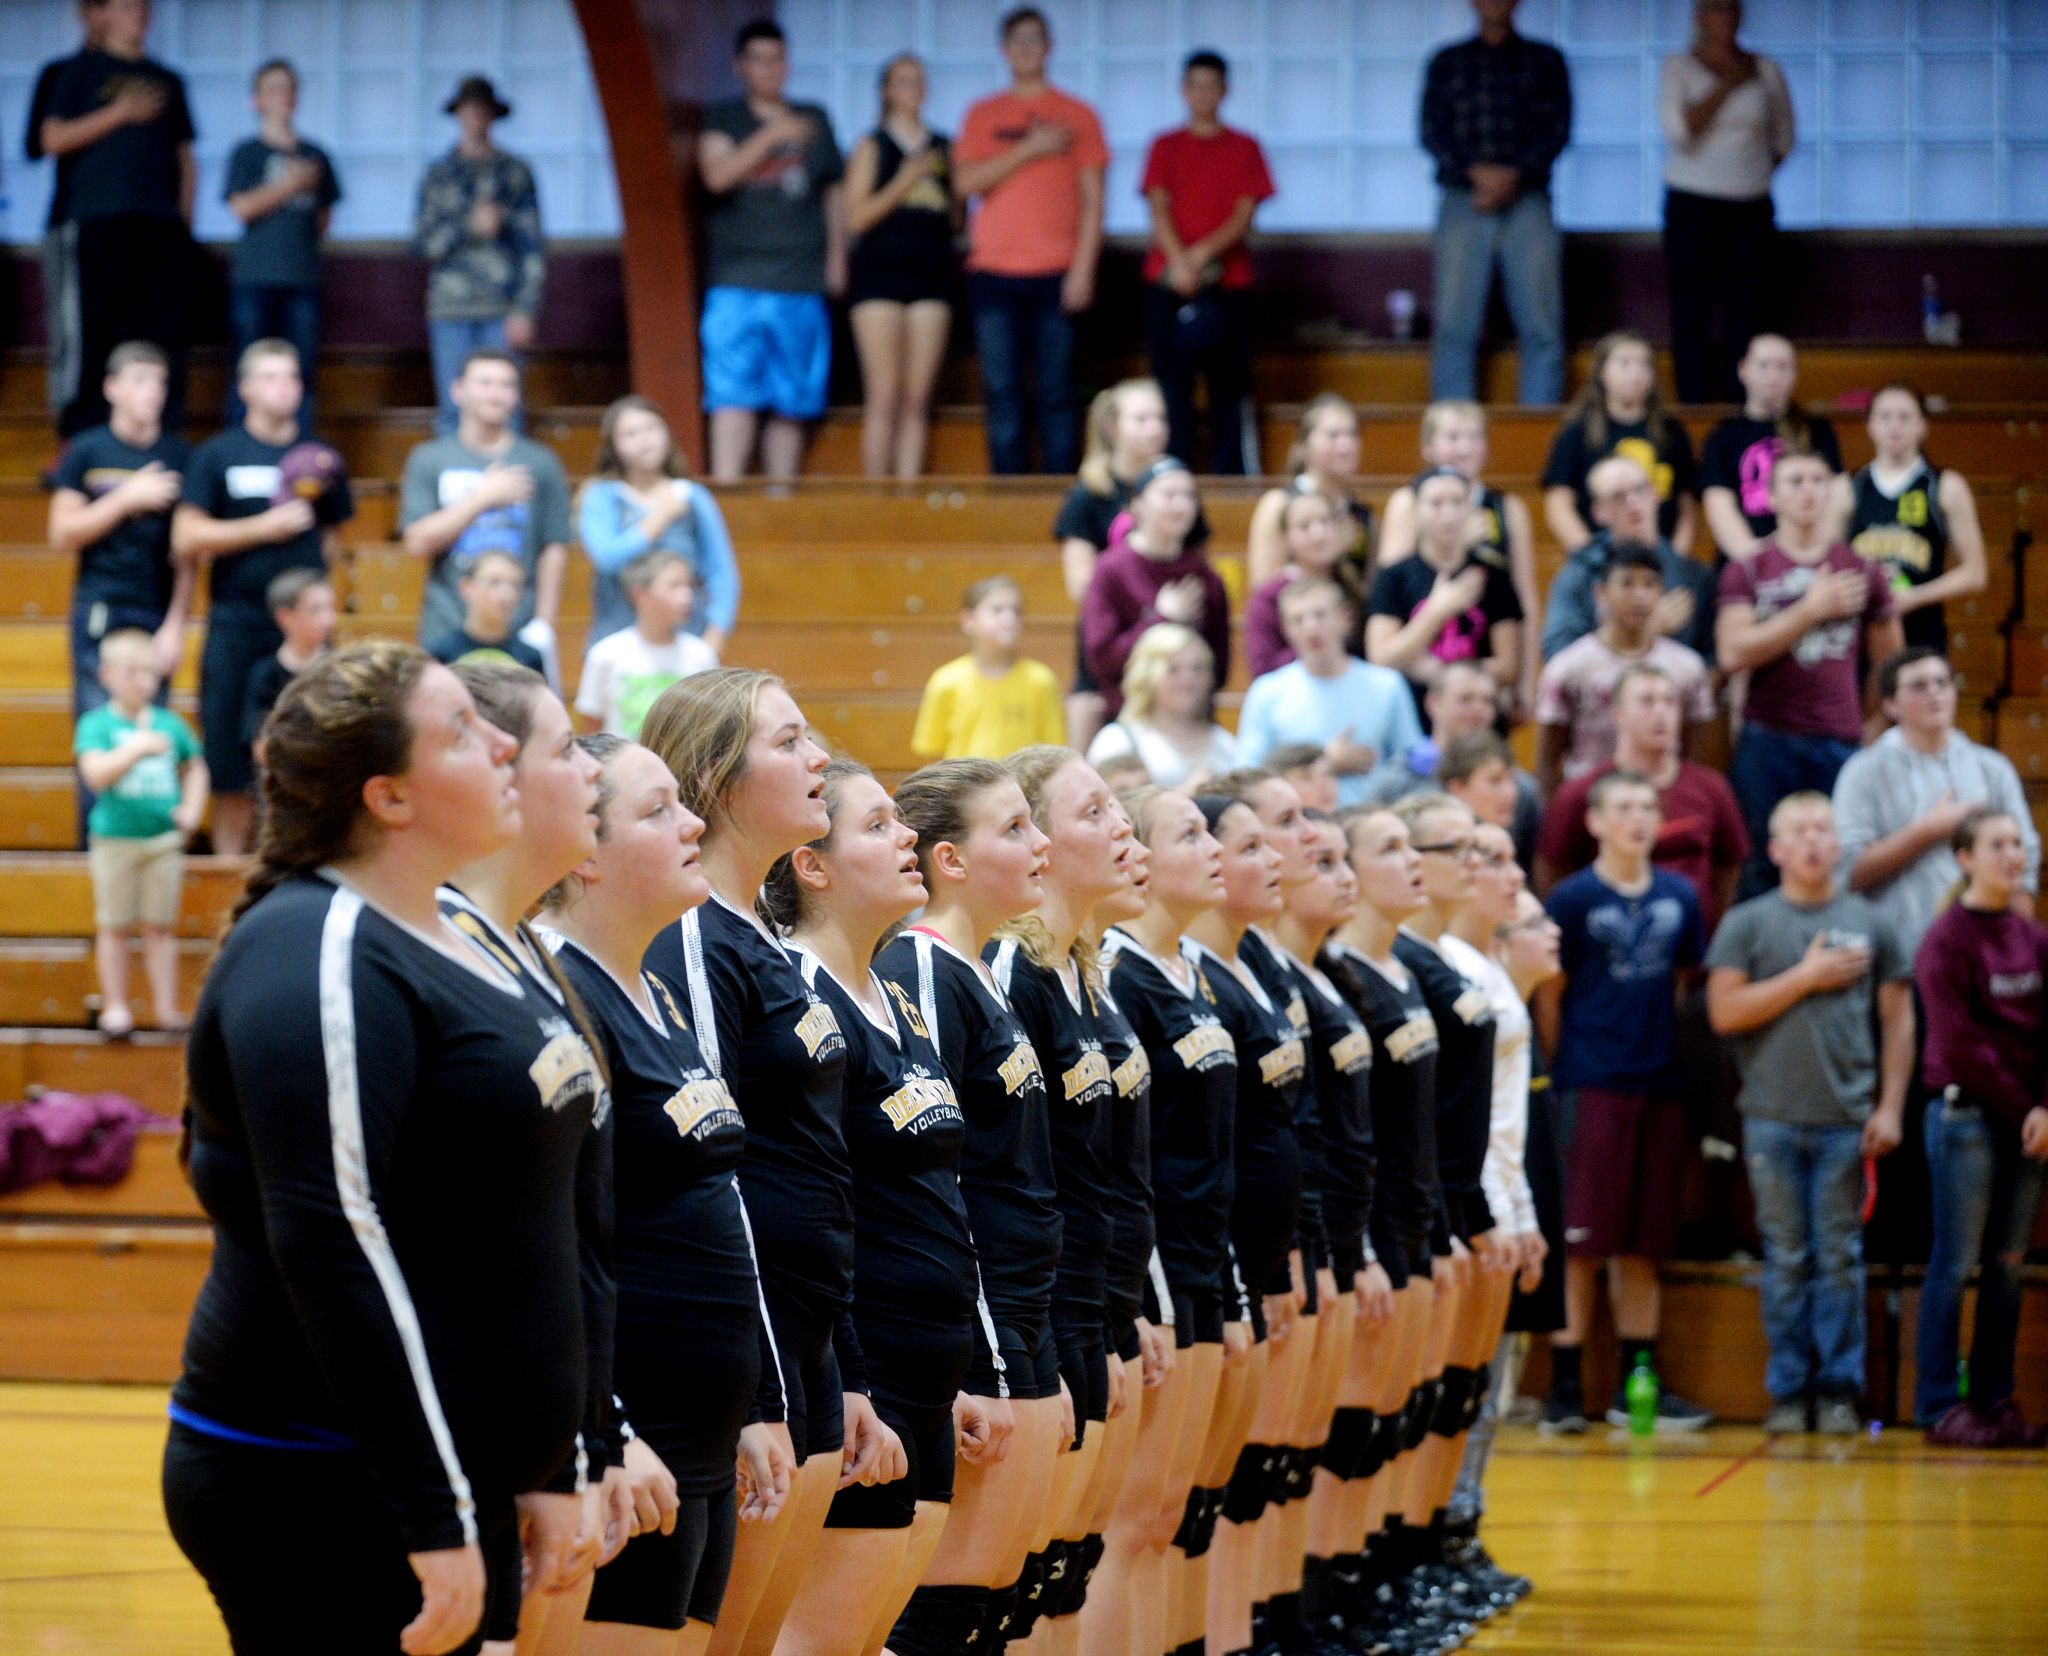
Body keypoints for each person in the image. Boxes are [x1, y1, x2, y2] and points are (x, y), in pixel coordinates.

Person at [163, 641, 601, 1655]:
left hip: (455, 1475)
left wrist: (550, 1461)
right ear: (390, 799)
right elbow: (331, 1242)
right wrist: (434, 1513)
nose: (500, 742)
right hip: (321, 1480)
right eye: (461, 730)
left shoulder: (460, 942)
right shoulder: (312, 948)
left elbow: (532, 1226)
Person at [638, 671, 897, 1655]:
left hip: (809, 1344)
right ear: (714, 775)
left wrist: (851, 1366)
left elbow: (820, 1168)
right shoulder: (693, 941)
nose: (817, 757)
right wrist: (752, 1397)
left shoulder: (763, 940)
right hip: (749, 1358)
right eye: (788, 742)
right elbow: (710, 1173)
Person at [539, 733, 785, 1649]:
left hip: (706, 1433)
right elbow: (560, 1245)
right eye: (658, 811)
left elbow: (717, 1208)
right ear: (585, 855)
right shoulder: (569, 1000)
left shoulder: (659, 994)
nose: (693, 824)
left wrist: (755, 1402)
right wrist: (609, 1433)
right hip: (637, 1444)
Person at [434, 662, 626, 1654]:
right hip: (460, 1456)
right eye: (566, 752)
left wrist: (596, 1440)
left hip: (541, 1444)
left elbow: (572, 1234)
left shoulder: (522, 953)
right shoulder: (439, 951)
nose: (589, 776)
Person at [766, 761, 974, 1654]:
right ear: (814, 865)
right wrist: (853, 1380)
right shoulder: (803, 998)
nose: (906, 841)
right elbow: (815, 1201)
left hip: (929, 1372)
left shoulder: (891, 995)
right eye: (880, 825)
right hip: (870, 1376)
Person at [878, 761, 1057, 1655]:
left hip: (1019, 1312)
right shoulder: (919, 964)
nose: (1041, 846)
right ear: (949, 858)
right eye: (1016, 829)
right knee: (948, 1608)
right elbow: (933, 1173)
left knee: (1001, 1598)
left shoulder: (980, 970)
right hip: (974, 1324)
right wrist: (974, 1353)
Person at [986, 750, 1138, 1646]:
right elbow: (1007, 1176)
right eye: (1095, 812)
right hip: (1039, 1313)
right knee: (1020, 1583)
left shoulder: (1085, 974)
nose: (1122, 828)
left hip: (1093, 1303)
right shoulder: (1014, 973)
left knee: (1065, 1568)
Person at [1705, 792, 1913, 1433]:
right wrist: (1806, 975)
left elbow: (1899, 1020)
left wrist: (1891, 1107)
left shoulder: (1871, 922)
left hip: (1847, 1120)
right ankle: (1789, 1392)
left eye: (1823, 828)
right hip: (1769, 1117)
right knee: (1787, 1255)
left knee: (1840, 1256)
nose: (1814, 840)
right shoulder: (1748, 923)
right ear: (1775, 849)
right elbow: (1724, 1013)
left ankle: (1840, 1390)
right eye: (1799, 830)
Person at [1096, 787, 1238, 1656]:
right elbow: (1124, 1161)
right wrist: (1141, 1299)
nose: (1212, 847)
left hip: (1205, 1264)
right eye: (1190, 833)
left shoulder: (1193, 972)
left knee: (1175, 1513)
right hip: (1154, 1278)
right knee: (1132, 1521)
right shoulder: (1119, 973)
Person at [1536, 770, 1712, 1435]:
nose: (1638, 818)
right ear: (1597, 822)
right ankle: (1565, 1386)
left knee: (1643, 1244)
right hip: (1591, 1083)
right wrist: (1573, 1063)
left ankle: (1639, 1381)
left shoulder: (1681, 896)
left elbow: (1679, 983)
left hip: (1658, 1084)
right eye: (1624, 807)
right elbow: (1551, 995)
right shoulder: (1572, 899)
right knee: (1580, 1243)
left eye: (1647, 806)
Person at [173, 337, 352, 857]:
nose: (285, 387)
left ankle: (307, 866)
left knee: (318, 748)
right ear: (246, 387)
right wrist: (263, 527)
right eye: (271, 376)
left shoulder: (320, 458)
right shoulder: (217, 455)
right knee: (230, 759)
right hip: (237, 623)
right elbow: (186, 538)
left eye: (293, 377)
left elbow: (336, 539)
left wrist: (322, 607)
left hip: (304, 632)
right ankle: (230, 873)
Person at [1913, 808, 2048, 1449]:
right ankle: (1940, 1404)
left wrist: (2044, 1108)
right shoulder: (1945, 939)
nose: (2011, 855)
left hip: (2028, 1126)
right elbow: (1961, 1046)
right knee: (1956, 1263)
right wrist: (2028, 1110)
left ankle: (1995, 1401)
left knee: (2009, 1265)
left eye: (2018, 844)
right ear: (1964, 858)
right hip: (1966, 1118)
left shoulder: (2035, 939)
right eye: (1997, 844)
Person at [1718, 447, 1901, 897]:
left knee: (1842, 867)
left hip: (1840, 741)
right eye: (1795, 482)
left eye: (1817, 481)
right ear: (1772, 496)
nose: (1807, 492)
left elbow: (1891, 664)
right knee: (1762, 866)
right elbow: (1732, 653)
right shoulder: (1748, 568)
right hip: (1767, 740)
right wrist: (1811, 610)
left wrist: (1874, 725)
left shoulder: (1862, 570)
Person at [1441, 827, 1544, 1598]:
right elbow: (1462, 1124)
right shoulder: (1449, 969)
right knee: (1454, 1393)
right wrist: (1493, 1211)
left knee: (1483, 1388)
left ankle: (1459, 1531)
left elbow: (1506, 1122)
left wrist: (1522, 1210)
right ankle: (1442, 1535)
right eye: (1488, 860)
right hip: (1464, 1208)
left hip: (1496, 1201)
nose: (1507, 874)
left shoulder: (1488, 971)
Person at [32, 0, 198, 438]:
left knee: (161, 335)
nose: (139, 13)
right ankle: (79, 437)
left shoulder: (167, 80)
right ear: (101, 15)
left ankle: (162, 435)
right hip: (92, 221)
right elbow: (50, 138)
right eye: (127, 6)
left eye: (144, 6)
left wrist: (182, 226)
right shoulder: (74, 72)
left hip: (159, 225)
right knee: (89, 335)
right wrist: (119, 113)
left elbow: (185, 158)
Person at [955, 6, 1107, 475]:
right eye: (1017, 40)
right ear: (1004, 50)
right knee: (1001, 390)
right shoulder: (983, 113)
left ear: (1049, 47)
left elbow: (1094, 201)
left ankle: (1062, 498)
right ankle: (1009, 499)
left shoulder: (1078, 114)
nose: (1026, 49)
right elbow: (965, 185)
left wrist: (1083, 269)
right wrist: (1032, 148)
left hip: (1057, 271)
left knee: (1058, 390)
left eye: (1035, 39)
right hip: (994, 271)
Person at [697, 20, 845, 482]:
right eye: (758, 59)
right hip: (735, 280)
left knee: (794, 400)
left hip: (800, 278)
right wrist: (771, 135)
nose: (769, 68)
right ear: (741, 66)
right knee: (732, 394)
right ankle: (728, 496)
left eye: (777, 58)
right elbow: (716, 176)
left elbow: (834, 195)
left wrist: (837, 258)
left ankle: (781, 503)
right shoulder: (724, 118)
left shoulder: (815, 118)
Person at [1834, 647, 2037, 955]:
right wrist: (1926, 831)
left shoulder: (1992, 768)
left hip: (1982, 952)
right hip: (1894, 953)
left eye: (1943, 683)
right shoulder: (1862, 771)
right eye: (1919, 686)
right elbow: (1847, 872)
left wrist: (2018, 943)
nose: (1935, 693)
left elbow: (2027, 858)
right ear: (1890, 704)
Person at [1419, 0, 1571, 406]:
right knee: (1453, 325)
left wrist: (1512, 175)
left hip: (1529, 198)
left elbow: (1557, 128)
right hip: (1462, 198)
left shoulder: (1545, 59)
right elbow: (1432, 130)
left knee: (1542, 325)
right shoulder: (1448, 61)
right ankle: (1452, 440)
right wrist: (1476, 173)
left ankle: (1536, 435)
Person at [1139, 50, 1276, 475]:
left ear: (1225, 90)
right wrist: (1180, 264)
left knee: (1229, 389)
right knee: (1170, 391)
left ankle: (1228, 477)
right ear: (1183, 90)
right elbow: (1158, 206)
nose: (1202, 94)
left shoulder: (1245, 146)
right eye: (1194, 85)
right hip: (1167, 282)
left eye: (1211, 85)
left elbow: (1244, 214)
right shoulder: (1165, 145)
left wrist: (1198, 257)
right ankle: (1169, 476)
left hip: (1229, 284)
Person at [1538, 665, 1749, 936]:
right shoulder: (1581, 793)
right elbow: (1553, 872)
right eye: (1647, 701)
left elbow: (1728, 868)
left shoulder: (1712, 788)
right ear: (1617, 714)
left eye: (1670, 702)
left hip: (1692, 947)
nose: (1660, 712)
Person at [1054, 378, 1208, 745]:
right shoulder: (1088, 497)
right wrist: (1152, 610)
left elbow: (1197, 577)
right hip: (1108, 649)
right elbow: (1081, 584)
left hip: (1172, 657)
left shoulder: (1179, 492)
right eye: (1142, 419)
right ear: (1112, 428)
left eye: (1160, 418)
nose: (1155, 428)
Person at [46, 340, 190, 733]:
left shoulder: (180, 455)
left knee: (152, 728)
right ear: (112, 388)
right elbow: (62, 533)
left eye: (159, 383)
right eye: (140, 380)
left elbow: (188, 553)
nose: (152, 392)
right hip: (100, 605)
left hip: (157, 610)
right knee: (98, 729)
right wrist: (127, 498)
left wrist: (177, 623)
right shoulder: (85, 450)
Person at [1660, 1, 1795, 404]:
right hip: (1691, 203)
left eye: (1731, 9)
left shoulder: (1766, 70)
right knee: (1690, 313)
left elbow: (1784, 138)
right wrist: (1729, 84)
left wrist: (1749, 173)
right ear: (1699, 17)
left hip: (1750, 206)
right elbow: (1681, 132)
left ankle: (1747, 408)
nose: (1725, 19)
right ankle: (1694, 407)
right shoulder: (1678, 68)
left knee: (1748, 313)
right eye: (1715, 9)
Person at [75, 628, 206, 1036]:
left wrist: (192, 809)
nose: (143, 681)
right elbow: (94, 775)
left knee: (160, 927)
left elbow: (196, 767)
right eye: (132, 672)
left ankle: (165, 1008)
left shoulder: (170, 724)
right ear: (107, 675)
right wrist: (135, 748)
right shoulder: (97, 724)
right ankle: (116, 1006)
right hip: (114, 840)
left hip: (163, 841)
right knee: (115, 926)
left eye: (150, 672)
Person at [400, 349, 572, 656]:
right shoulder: (428, 458)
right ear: (457, 391)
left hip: (520, 628)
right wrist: (483, 498)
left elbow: (554, 545)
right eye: (485, 383)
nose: (496, 393)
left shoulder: (541, 462)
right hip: (447, 626)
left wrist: (545, 623)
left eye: (506, 385)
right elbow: (417, 542)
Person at [1377, 400, 1539, 709]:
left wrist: (1527, 682)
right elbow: (1394, 589)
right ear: (1428, 447)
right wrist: (1456, 545)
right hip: (1421, 656)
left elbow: (1526, 598)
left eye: (1474, 437)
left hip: (1485, 657)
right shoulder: (1407, 501)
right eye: (1453, 438)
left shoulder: (1507, 508)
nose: (1464, 447)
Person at [844, 54, 957, 481]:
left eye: (919, 81)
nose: (914, 89)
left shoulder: (944, 145)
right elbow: (856, 218)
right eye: (903, 81)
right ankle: (877, 499)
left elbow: (955, 213)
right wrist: (905, 181)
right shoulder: (872, 145)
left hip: (932, 274)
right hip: (879, 277)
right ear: (886, 91)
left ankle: (908, 493)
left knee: (916, 399)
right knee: (884, 396)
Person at [414, 74, 544, 436]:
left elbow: (533, 248)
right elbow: (422, 245)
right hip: (450, 307)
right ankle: (457, 491)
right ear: (458, 114)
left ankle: (510, 491)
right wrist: (468, 226)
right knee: (454, 408)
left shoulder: (514, 173)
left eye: (482, 110)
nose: (476, 117)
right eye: (469, 110)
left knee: (505, 408)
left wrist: (525, 309)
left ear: (493, 115)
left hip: (502, 309)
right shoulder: (439, 174)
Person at [1533, 542, 1715, 796]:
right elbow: (1549, 760)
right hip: (1589, 803)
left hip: (1662, 803)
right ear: (1601, 592)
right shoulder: (1568, 668)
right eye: (1627, 584)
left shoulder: (1687, 667)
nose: (1639, 595)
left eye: (1649, 584)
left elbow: (1694, 756)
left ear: (1661, 592)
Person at [223, 59, 339, 430]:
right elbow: (241, 209)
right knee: (247, 366)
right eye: (273, 89)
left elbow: (324, 218)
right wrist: (290, 186)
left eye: (289, 89)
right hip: (254, 277)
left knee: (301, 370)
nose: (283, 97)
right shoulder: (247, 153)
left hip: (303, 276)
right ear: (255, 100)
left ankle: (299, 447)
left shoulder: (316, 155)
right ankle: (240, 443)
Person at [1236, 579, 1422, 809]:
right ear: (1286, 629)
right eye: (1298, 619)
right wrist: (1326, 764)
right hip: (1298, 824)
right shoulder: (1267, 691)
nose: (1311, 627)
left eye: (1320, 615)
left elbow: (1411, 763)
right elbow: (1246, 773)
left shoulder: (1387, 685)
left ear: (1346, 618)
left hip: (1372, 821)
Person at [577, 395, 740, 652]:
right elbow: (606, 558)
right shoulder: (601, 495)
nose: (645, 440)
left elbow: (721, 573)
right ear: (613, 446)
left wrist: (715, 637)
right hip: (616, 639)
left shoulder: (691, 496)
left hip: (685, 637)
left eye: (652, 428)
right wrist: (658, 518)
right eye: (631, 433)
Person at [1839, 383, 1989, 653]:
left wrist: (1913, 598)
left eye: (1905, 417)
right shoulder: (1847, 487)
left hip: (1922, 633)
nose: (1894, 426)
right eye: (1885, 417)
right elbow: (1826, 562)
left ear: (1923, 425)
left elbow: (1975, 574)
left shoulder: (1945, 486)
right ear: (1870, 425)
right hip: (1859, 635)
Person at [1366, 466, 1523, 719]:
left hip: (1477, 721)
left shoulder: (1493, 576)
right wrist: (1436, 611)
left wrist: (1441, 673)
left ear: (1471, 509)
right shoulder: (1393, 577)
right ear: (1416, 512)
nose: (1448, 513)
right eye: (1436, 504)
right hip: (1410, 717)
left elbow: (1508, 666)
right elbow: (1380, 658)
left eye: (1457, 502)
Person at [1081, 459, 1230, 719]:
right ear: (1137, 506)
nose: (1181, 504)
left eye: (1189, 496)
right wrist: (1161, 618)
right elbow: (1102, 661)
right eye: (1169, 494)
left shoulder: (1205, 576)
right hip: (1128, 718)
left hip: (1193, 721)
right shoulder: (1110, 570)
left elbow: (1219, 668)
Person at [1540, 452, 1718, 663]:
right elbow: (1558, 654)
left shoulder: (1694, 576)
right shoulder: (1579, 574)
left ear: (1655, 494)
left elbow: (1712, 661)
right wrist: (1647, 631)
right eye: (1618, 496)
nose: (1633, 503)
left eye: (1640, 490)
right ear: (1599, 512)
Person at [1541, 332, 1697, 555]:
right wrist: (1594, 557)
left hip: (1660, 556)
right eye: (1624, 363)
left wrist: (1673, 559)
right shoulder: (1577, 432)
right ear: (1602, 373)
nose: (1636, 373)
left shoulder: (1672, 432)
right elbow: (1558, 505)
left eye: (1644, 365)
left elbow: (1687, 508)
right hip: (1599, 559)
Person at [1699, 334, 1841, 558]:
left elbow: (1838, 497)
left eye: (1783, 366)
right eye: (1764, 365)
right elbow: (1719, 507)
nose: (1773, 375)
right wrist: (1758, 563)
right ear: (1743, 370)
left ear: (1794, 374)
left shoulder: (1818, 430)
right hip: (1745, 562)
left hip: (1809, 557)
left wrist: (1809, 556)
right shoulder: (1723, 435)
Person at [910, 575, 1065, 763]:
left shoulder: (1040, 680)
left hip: (1020, 790)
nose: (1009, 619)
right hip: (964, 790)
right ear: (969, 619)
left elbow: (1053, 751)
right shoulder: (945, 680)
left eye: (1016, 611)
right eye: (997, 610)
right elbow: (932, 752)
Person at [574, 550, 716, 739]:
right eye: (674, 585)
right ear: (640, 594)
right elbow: (591, 728)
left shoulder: (702, 654)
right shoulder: (605, 654)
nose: (687, 595)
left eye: (689, 585)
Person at [1246, 395, 1374, 592]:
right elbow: (1263, 590)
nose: (1346, 445)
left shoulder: (1361, 514)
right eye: (1333, 435)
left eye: (1352, 434)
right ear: (1303, 447)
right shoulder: (1279, 504)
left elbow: (1369, 592)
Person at [1087, 623, 1237, 791]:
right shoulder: (1117, 740)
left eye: (1198, 669)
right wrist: (1186, 794)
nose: (1188, 680)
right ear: (1147, 675)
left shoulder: (1224, 742)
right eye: (1173, 670)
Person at [1245, 488, 1360, 677]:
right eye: (1304, 526)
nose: (1318, 533)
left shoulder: (1351, 587)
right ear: (1286, 539)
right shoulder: (1269, 596)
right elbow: (1263, 667)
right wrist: (1316, 643)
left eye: (1325, 521)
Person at [240, 567, 335, 761]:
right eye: (316, 610)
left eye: (330, 608)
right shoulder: (266, 674)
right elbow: (260, 744)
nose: (328, 620)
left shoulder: (338, 668)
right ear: (285, 617)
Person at [425, 549, 545, 674]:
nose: (506, 594)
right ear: (466, 587)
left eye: (515, 585)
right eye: (494, 582)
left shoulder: (531, 657)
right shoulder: (441, 653)